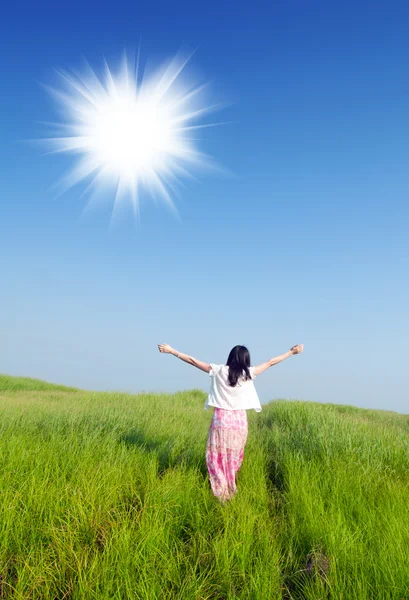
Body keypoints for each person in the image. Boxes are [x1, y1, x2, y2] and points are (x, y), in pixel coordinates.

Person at [158, 343, 304, 502]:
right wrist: (291, 352)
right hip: (239, 422)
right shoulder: (249, 373)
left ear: (230, 357)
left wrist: (172, 351)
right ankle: (230, 485)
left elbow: (193, 361)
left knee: (217, 455)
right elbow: (270, 362)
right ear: (246, 359)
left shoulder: (219, 370)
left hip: (221, 419)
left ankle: (220, 490)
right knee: (233, 455)